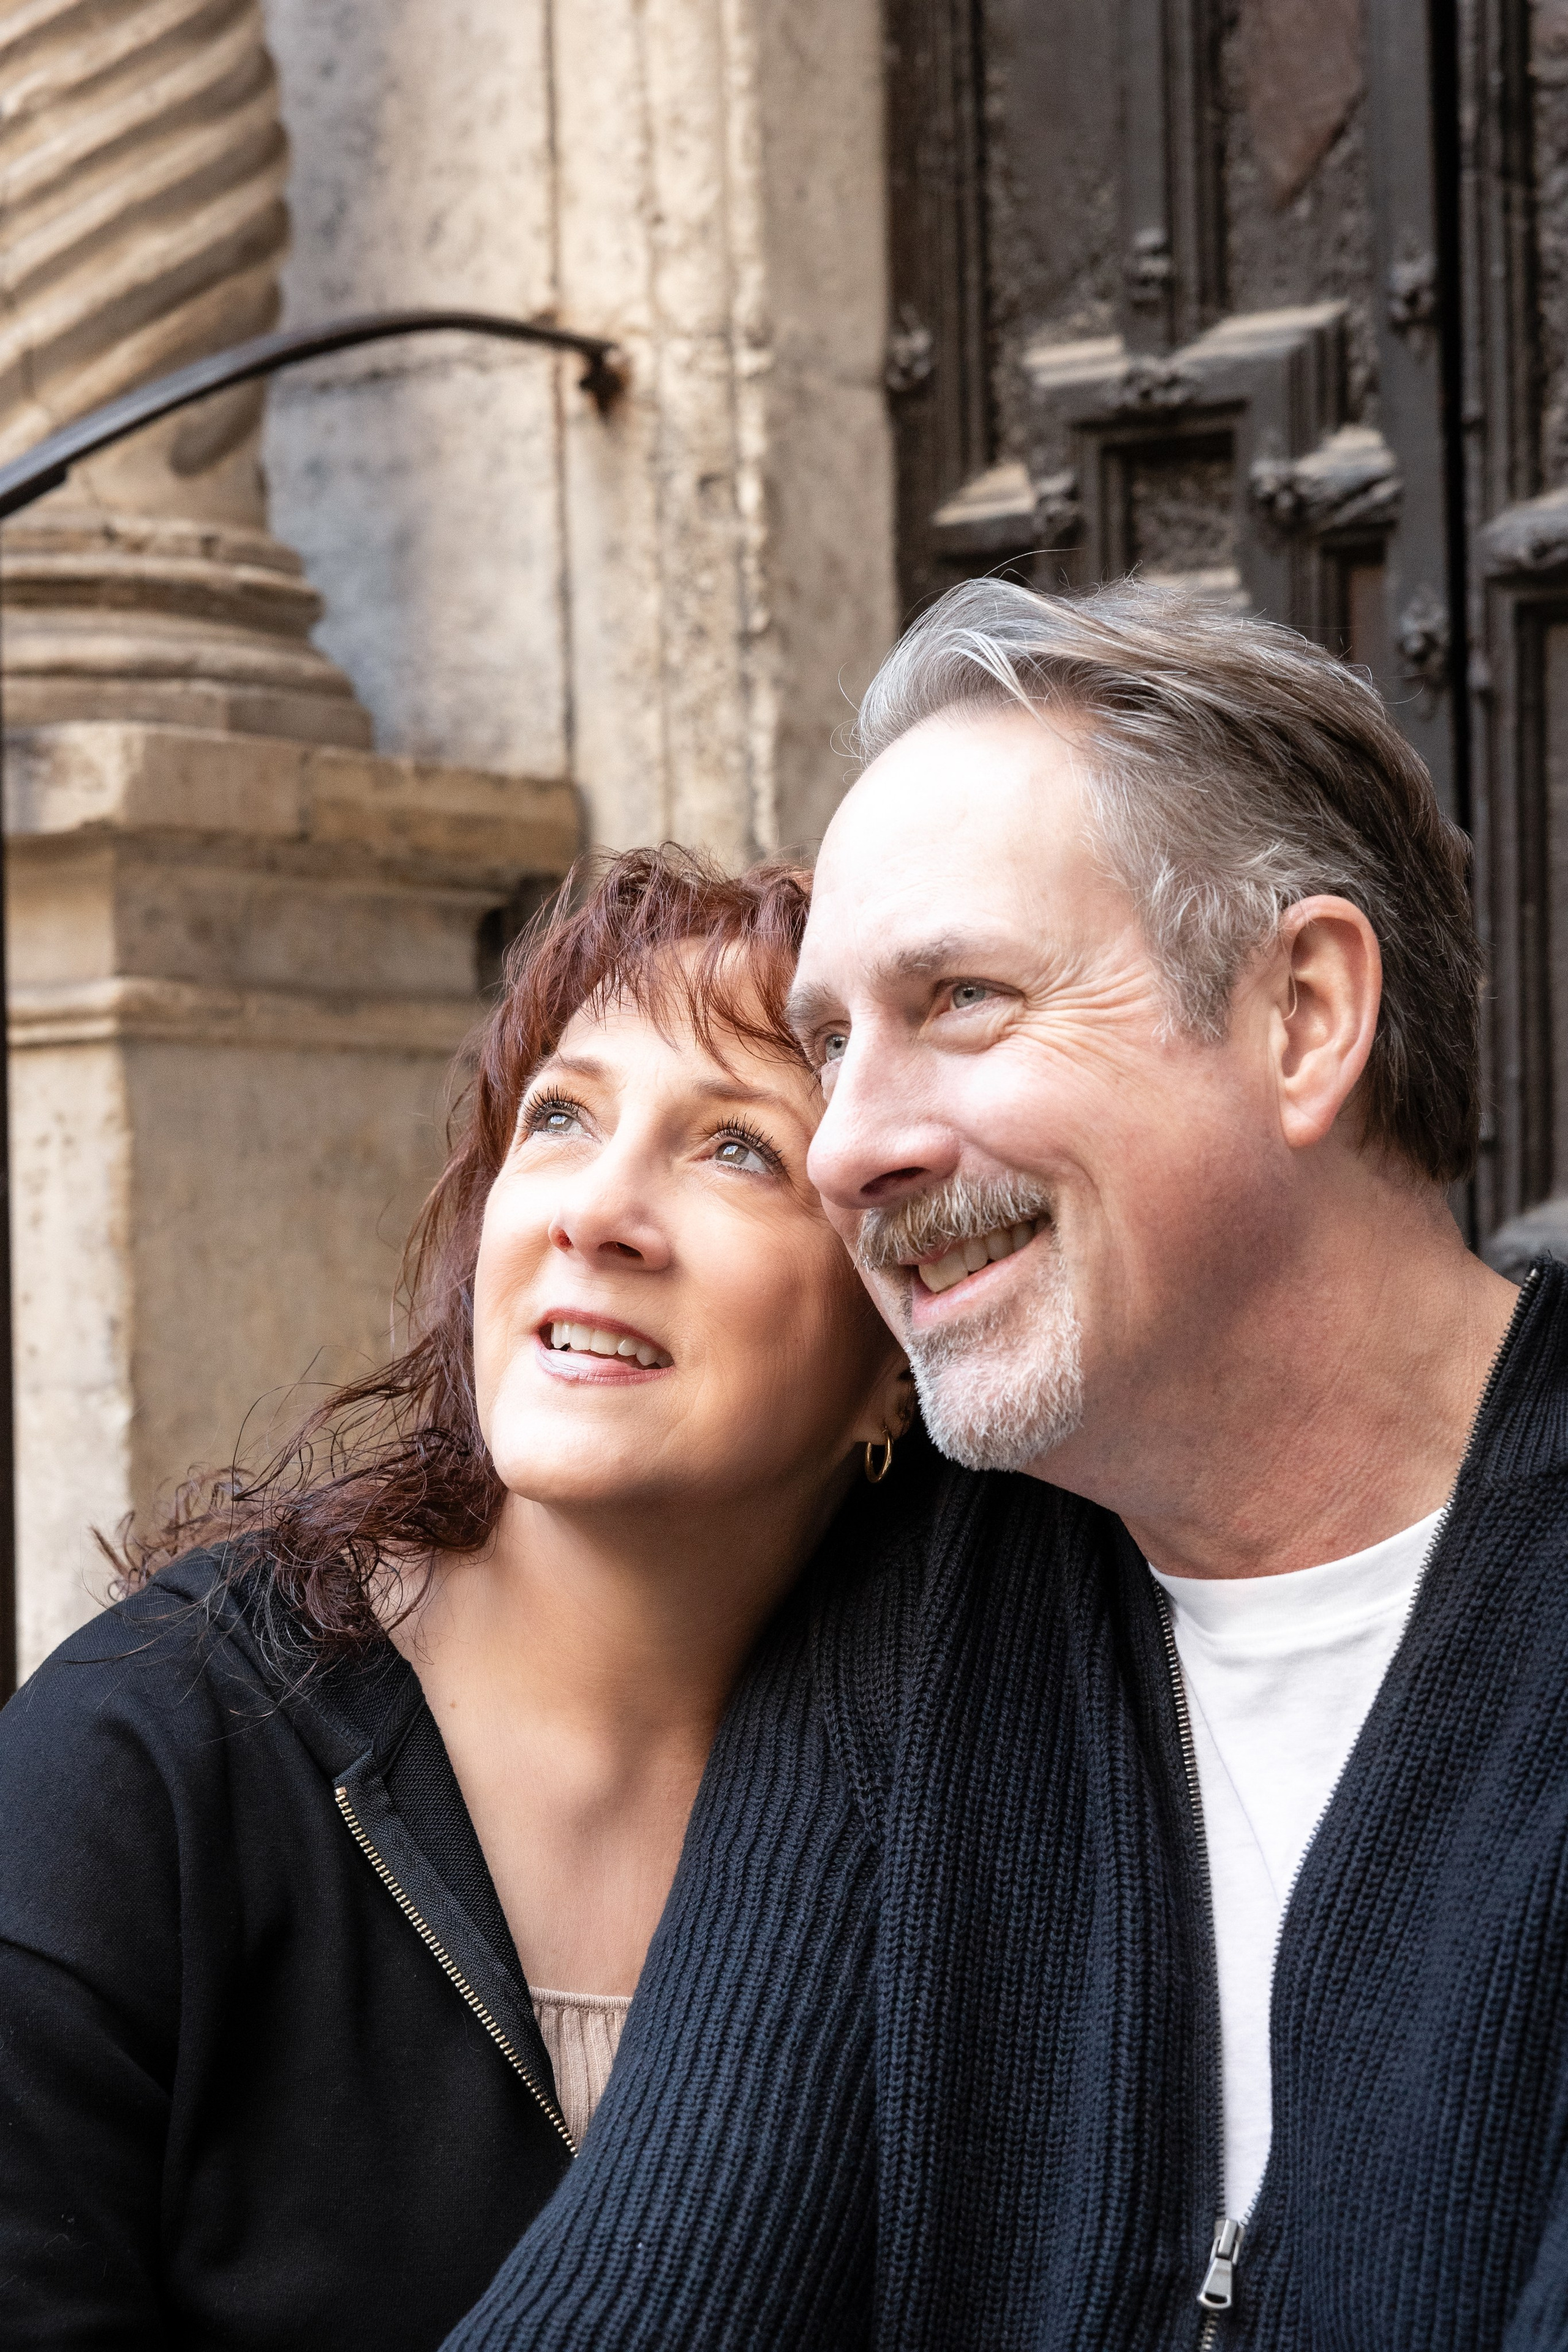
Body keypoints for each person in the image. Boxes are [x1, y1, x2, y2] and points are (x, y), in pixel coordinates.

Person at [451, 578, 1568, 2352]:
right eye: (831, 1047)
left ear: (1302, 1016)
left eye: (960, 1000)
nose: (852, 1149)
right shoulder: (914, 1626)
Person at [0, 846, 918, 2350]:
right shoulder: (140, 1765)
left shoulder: (967, 1789)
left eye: (738, 1148)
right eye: (559, 1119)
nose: (598, 1213)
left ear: (895, 1357)